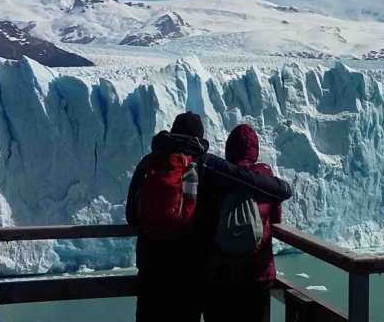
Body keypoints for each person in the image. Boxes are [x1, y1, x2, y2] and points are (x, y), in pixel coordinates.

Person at [125, 112, 292, 322]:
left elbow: (131, 216)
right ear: (199, 138)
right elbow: (247, 180)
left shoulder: (147, 164)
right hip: (190, 275)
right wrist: (283, 188)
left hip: (151, 273)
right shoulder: (206, 163)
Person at [198, 124, 284, 322]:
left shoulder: (216, 177)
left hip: (220, 276)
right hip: (257, 275)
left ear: (230, 149)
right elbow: (276, 219)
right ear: (255, 150)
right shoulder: (265, 180)